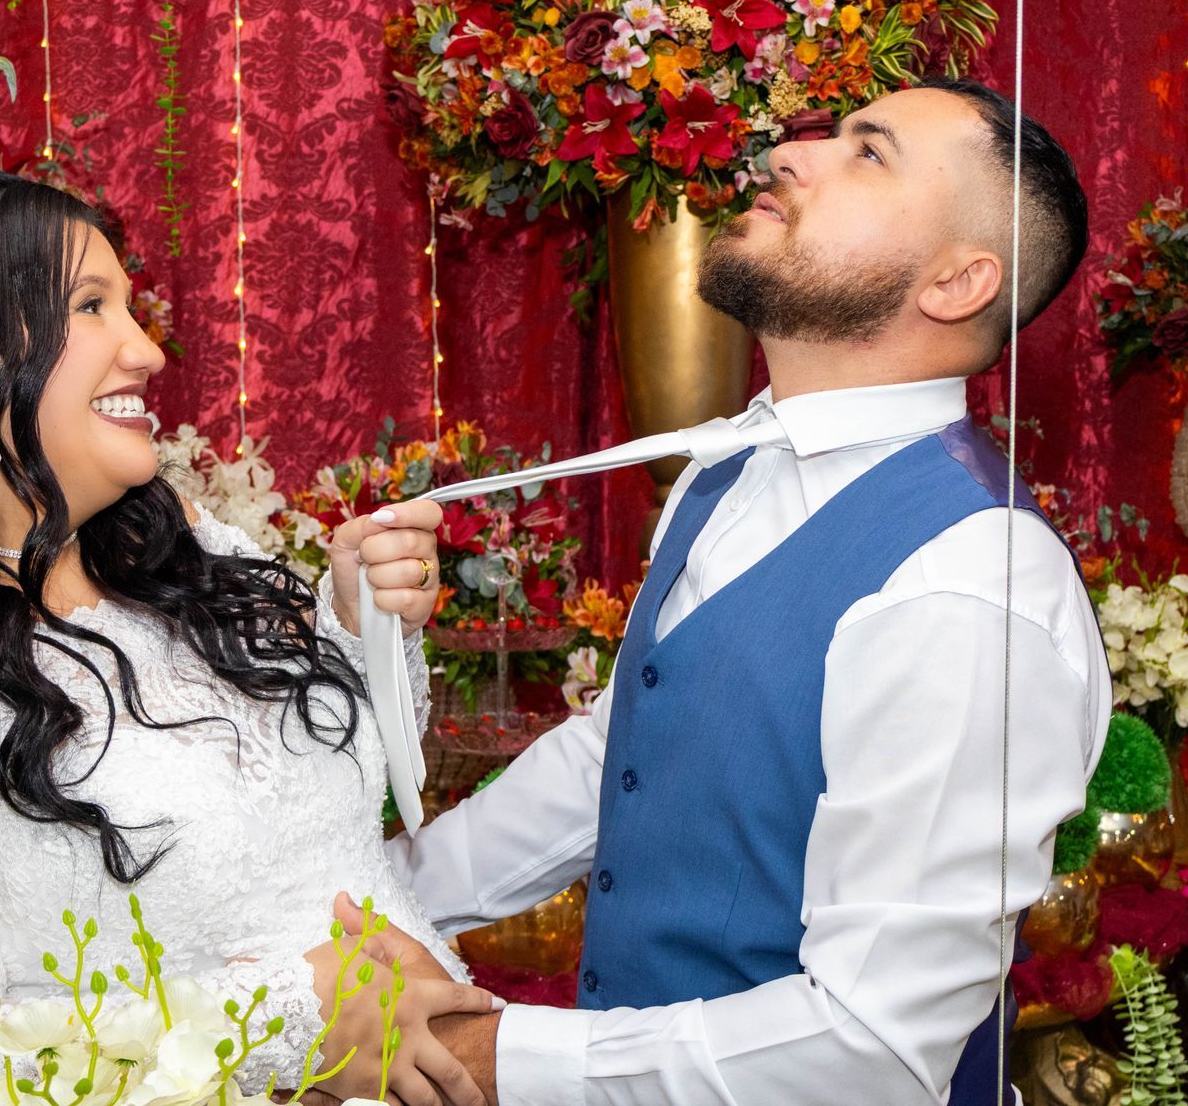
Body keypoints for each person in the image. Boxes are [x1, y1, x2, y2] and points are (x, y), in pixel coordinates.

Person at [378, 79, 1112, 1106]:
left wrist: (502, 1057)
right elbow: (626, 749)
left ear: (956, 281)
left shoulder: (970, 586)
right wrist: (377, 902)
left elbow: (874, 1043)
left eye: (867, 153)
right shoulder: (729, 468)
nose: (789, 153)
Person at [0, 169, 499, 1106]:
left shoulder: (190, 547)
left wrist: (358, 632)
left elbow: (302, 823)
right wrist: (285, 1022)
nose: (148, 351)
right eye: (93, 306)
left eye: (131, 306)